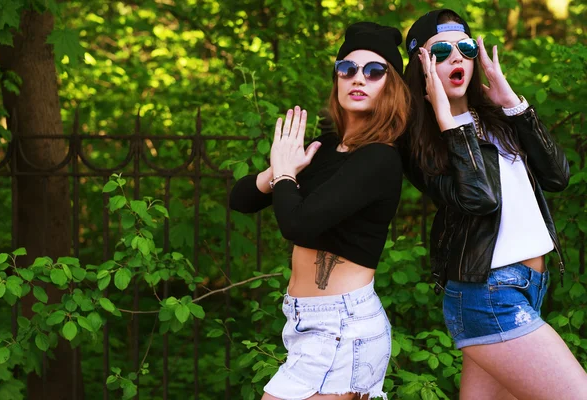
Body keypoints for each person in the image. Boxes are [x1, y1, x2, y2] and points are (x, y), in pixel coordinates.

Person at [400, 8, 587, 399]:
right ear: (421, 66)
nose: (457, 58)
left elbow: (557, 176)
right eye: (441, 51)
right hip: (488, 294)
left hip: (531, 285)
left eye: (465, 48)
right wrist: (450, 122)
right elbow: (480, 198)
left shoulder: (498, 118)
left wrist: (511, 100)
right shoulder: (421, 140)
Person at [230, 22, 410, 400]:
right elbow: (241, 200)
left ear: (390, 86)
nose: (357, 77)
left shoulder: (379, 158)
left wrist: (284, 173)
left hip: (343, 327)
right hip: (308, 324)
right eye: (347, 68)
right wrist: (275, 172)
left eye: (374, 71)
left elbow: (298, 223)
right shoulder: (325, 148)